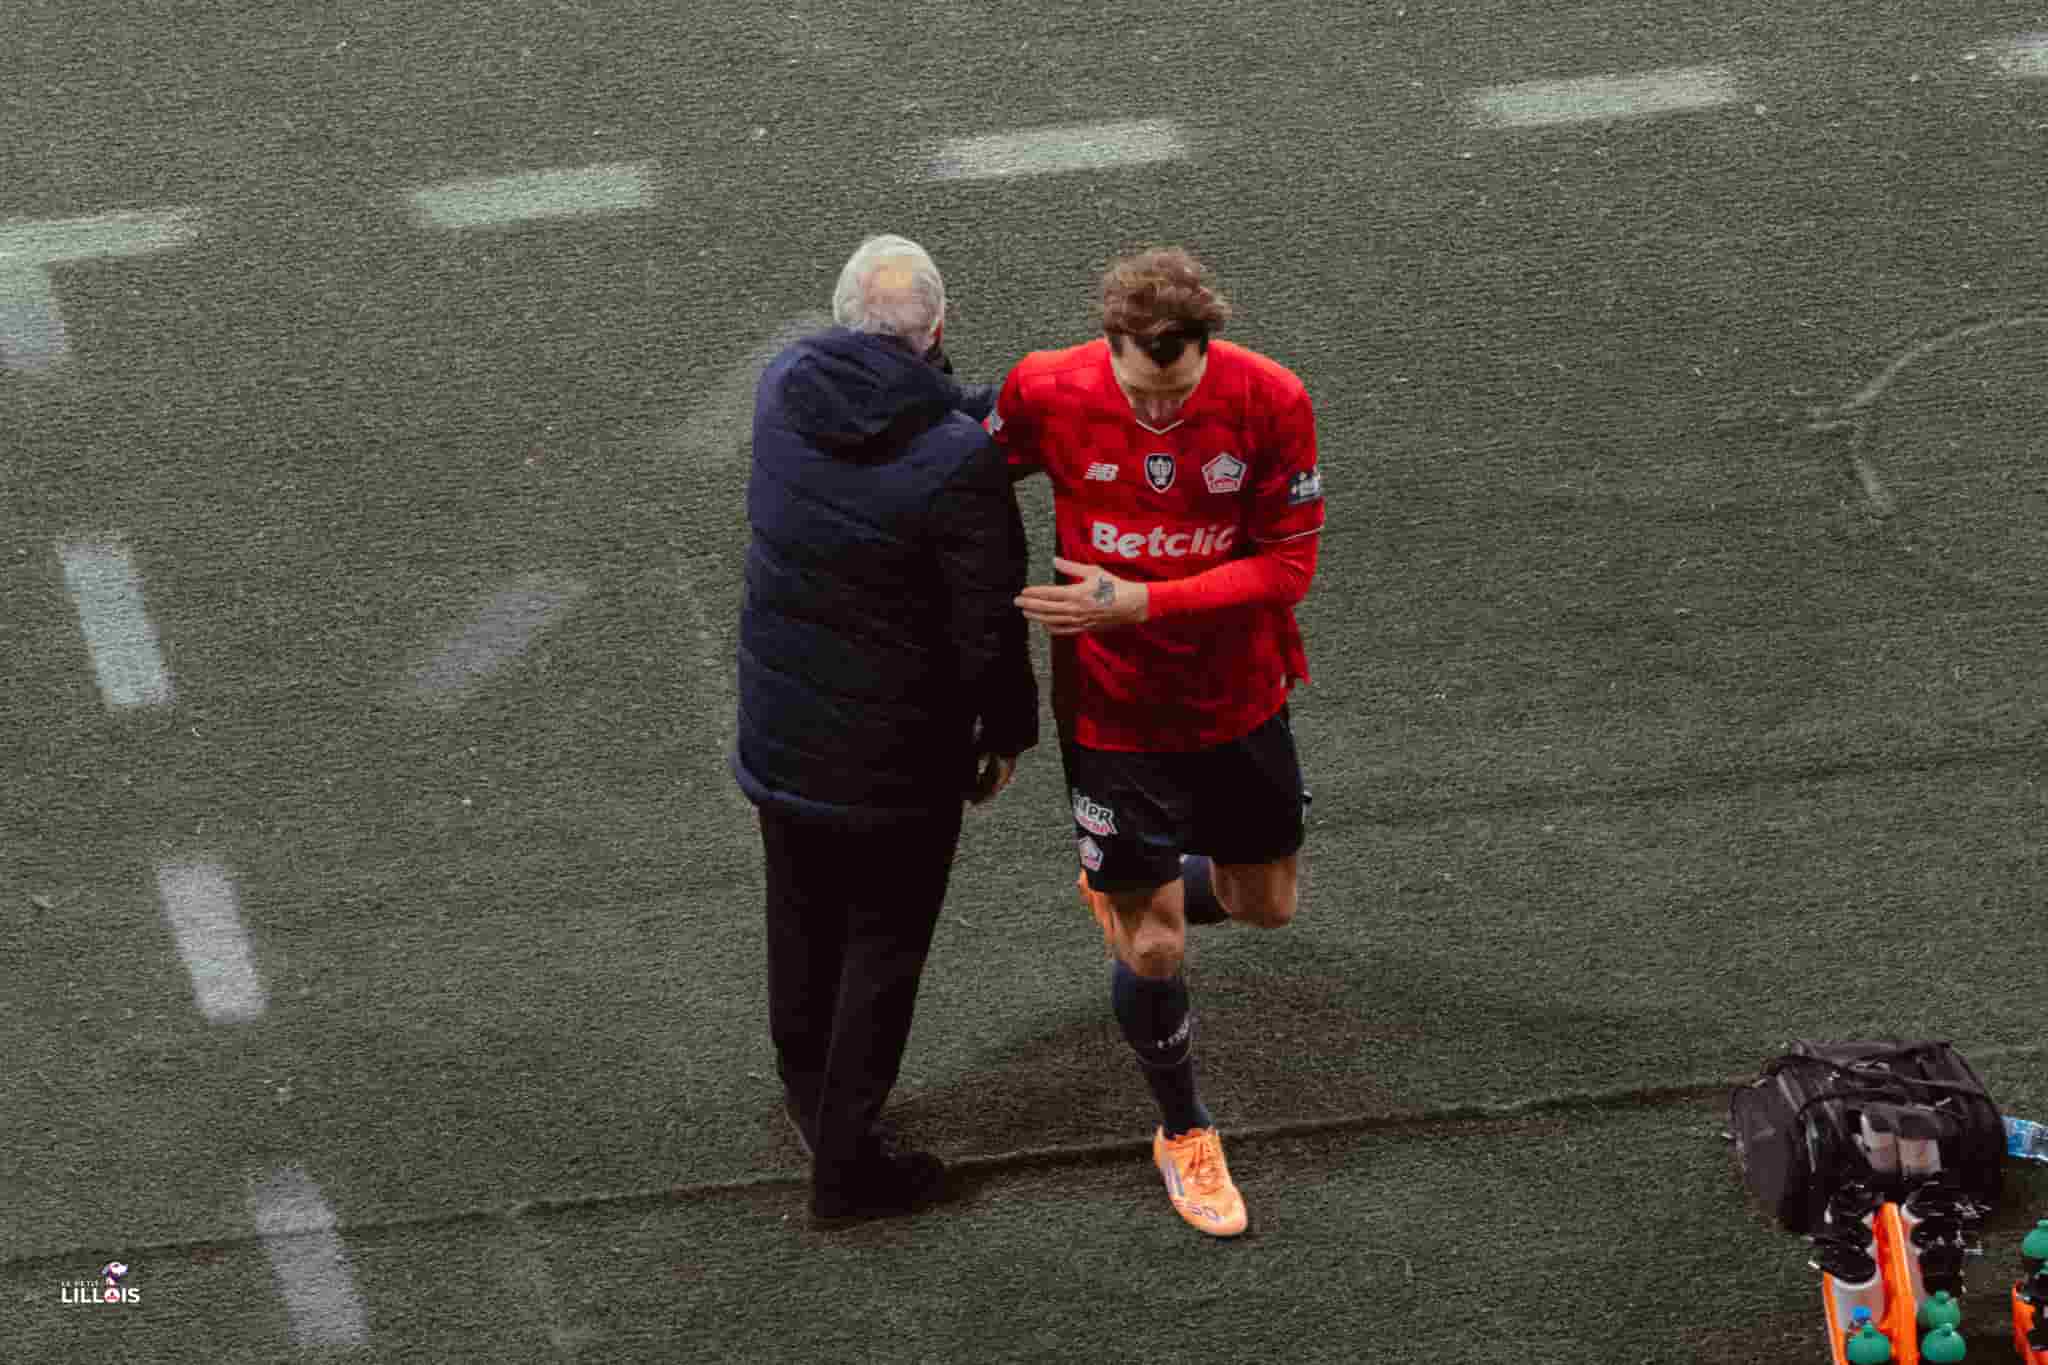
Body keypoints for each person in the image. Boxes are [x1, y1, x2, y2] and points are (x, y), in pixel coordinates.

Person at [995, 246, 1324, 1238]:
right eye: (1144, 391)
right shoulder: (1044, 387)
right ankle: (1182, 1130)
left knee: (1259, 905)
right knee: (1152, 946)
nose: (1160, 417)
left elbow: (1286, 569)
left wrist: (1136, 600)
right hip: (1110, 718)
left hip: (1239, 701)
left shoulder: (1268, 399)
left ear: (1205, 353)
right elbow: (962, 474)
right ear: (1110, 346)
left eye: (1178, 393)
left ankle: (1126, 871)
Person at [733, 234, 1039, 1222]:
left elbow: (892, 411)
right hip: (898, 762)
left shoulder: (783, 393)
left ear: (837, 319)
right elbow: (985, 621)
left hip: (783, 730)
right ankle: (849, 1165)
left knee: (799, 920)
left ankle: (806, 1097)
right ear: (937, 333)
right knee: (882, 948)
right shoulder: (960, 461)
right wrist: (1007, 735)